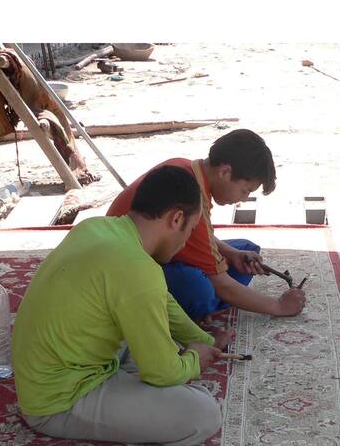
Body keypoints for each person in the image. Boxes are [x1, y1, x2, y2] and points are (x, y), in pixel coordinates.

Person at [12, 165, 232, 446]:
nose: (185, 242)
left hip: (49, 373)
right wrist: (193, 360)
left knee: (143, 330)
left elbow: (163, 303)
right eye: (190, 231)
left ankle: (138, 378)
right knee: (202, 413)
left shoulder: (97, 227)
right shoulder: (138, 269)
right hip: (58, 401)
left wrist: (204, 340)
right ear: (177, 218)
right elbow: (163, 374)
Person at [106, 129, 306, 321]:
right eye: (245, 191)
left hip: (153, 252)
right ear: (225, 172)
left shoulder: (187, 169)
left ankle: (208, 299)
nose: (244, 199)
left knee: (245, 251)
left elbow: (199, 235)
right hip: (124, 273)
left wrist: (230, 253)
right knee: (199, 289)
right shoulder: (190, 195)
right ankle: (196, 307)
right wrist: (278, 306)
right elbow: (221, 282)